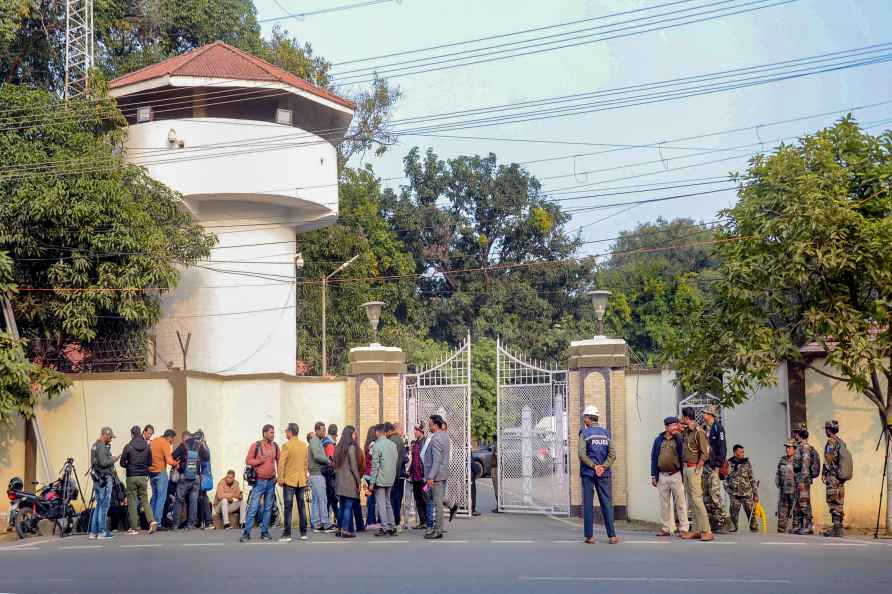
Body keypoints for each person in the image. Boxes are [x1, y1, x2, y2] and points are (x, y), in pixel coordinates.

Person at [578, 405, 618, 544]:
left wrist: (594, 466)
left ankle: (590, 536)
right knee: (606, 503)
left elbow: (582, 455)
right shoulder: (607, 433)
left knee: (588, 504)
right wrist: (602, 467)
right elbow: (612, 455)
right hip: (604, 473)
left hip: (588, 473)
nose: (584, 420)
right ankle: (612, 536)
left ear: (588, 418)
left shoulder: (584, 433)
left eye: (585, 418)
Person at [240, 424, 279, 542]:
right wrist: (259, 461)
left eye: (273, 432)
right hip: (259, 481)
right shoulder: (256, 445)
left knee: (268, 507)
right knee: (253, 507)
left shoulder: (275, 446)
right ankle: (246, 533)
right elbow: (248, 460)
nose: (273, 434)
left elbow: (279, 461)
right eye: (271, 432)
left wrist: (279, 476)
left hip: (271, 481)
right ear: (265, 433)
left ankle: (265, 532)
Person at [650, 416, 688, 537]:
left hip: (676, 474)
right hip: (662, 475)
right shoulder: (658, 440)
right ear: (666, 427)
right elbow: (654, 457)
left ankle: (684, 528)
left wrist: (683, 475)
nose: (675, 427)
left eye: (676, 425)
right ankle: (666, 528)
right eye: (672, 425)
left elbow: (683, 456)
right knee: (664, 503)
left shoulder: (679, 439)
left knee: (681, 502)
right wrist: (653, 475)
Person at [681, 406, 713, 541]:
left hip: (694, 468)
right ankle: (696, 530)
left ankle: (707, 530)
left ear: (687, 418)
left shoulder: (698, 431)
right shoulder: (687, 431)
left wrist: (698, 468)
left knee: (697, 500)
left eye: (683, 417)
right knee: (692, 501)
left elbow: (705, 452)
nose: (681, 419)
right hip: (686, 468)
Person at [120, 425, 157, 534]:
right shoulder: (147, 446)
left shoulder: (128, 446)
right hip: (143, 477)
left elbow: (122, 463)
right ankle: (152, 521)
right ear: (140, 433)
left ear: (132, 434)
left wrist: (129, 465)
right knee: (145, 500)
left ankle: (134, 527)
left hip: (131, 477)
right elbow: (150, 463)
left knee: (132, 501)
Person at [171, 430, 209, 531]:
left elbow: (172, 456)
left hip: (184, 476)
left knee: (178, 499)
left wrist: (178, 465)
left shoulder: (183, 445)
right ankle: (191, 524)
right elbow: (206, 458)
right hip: (196, 477)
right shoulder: (199, 445)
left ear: (184, 438)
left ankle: (175, 524)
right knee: (193, 500)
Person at [701, 405, 730, 533]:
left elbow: (722, 448)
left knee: (715, 494)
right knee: (706, 495)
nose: (703, 415)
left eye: (705, 413)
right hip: (705, 465)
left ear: (711, 415)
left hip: (714, 466)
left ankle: (725, 521)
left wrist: (719, 464)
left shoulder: (718, 428)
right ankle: (713, 523)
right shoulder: (704, 429)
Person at [278, 422, 309, 542]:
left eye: (286, 430)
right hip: (301, 480)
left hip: (289, 480)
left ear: (290, 431)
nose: (285, 432)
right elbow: (306, 464)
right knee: (302, 507)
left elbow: (281, 464)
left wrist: (280, 478)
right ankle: (303, 533)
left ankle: (287, 534)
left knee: (288, 507)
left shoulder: (286, 445)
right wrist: (305, 478)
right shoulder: (303, 445)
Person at [423, 414, 451, 539]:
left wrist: (430, 477)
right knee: (438, 501)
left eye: (430, 424)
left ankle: (438, 530)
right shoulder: (444, 436)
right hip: (442, 473)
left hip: (436, 475)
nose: (429, 426)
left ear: (435, 425)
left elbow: (436, 460)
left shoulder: (436, 438)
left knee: (438, 504)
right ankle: (437, 528)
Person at [334, 425, 364, 539]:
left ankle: (339, 528)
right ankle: (346, 529)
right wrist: (358, 481)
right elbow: (354, 467)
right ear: (350, 434)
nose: (355, 436)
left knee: (341, 506)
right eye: (354, 434)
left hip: (339, 481)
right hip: (349, 481)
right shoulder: (351, 448)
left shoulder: (338, 447)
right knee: (348, 506)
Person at [89, 427, 118, 540]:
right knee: (104, 506)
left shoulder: (95, 445)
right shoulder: (101, 446)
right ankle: (101, 532)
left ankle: (93, 532)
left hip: (98, 479)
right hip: (104, 479)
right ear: (106, 434)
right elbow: (103, 462)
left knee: (99, 505)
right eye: (110, 437)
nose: (111, 439)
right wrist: (114, 459)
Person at [369, 423, 398, 537]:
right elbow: (395, 461)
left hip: (380, 479)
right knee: (388, 503)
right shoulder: (392, 445)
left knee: (381, 504)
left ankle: (385, 528)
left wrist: (372, 483)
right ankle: (392, 526)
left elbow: (375, 465)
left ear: (377, 432)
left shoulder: (377, 445)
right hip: (390, 478)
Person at [821, 420, 847, 538]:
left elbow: (828, 458)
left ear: (828, 430)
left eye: (826, 428)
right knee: (839, 500)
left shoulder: (831, 442)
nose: (825, 431)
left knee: (833, 501)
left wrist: (824, 472)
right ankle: (839, 528)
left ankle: (836, 529)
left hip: (833, 476)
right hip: (840, 477)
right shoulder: (841, 442)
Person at [725, 444, 759, 533]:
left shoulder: (747, 463)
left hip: (746, 493)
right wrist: (729, 491)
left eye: (743, 452)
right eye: (740, 452)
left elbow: (751, 478)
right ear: (735, 452)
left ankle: (754, 531)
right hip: (734, 494)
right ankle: (733, 533)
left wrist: (755, 494)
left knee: (751, 515)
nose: (742, 454)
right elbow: (725, 478)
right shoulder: (728, 463)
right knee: (733, 515)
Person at [148, 429, 177, 530]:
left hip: (151, 472)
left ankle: (151, 522)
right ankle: (158, 523)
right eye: (172, 440)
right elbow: (169, 460)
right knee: (161, 498)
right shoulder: (165, 443)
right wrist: (176, 464)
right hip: (160, 472)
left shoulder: (154, 441)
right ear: (169, 437)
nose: (172, 442)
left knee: (155, 497)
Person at [791, 422, 817, 535]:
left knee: (804, 502)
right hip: (798, 478)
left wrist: (802, 480)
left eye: (796, 432)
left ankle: (808, 526)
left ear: (800, 433)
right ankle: (799, 525)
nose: (794, 434)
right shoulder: (799, 446)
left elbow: (805, 464)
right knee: (798, 502)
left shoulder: (805, 447)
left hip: (803, 479)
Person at [308, 422, 334, 532]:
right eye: (323, 430)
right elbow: (317, 456)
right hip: (317, 474)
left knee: (316, 500)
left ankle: (316, 523)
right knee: (322, 499)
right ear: (317, 430)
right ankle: (326, 523)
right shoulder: (315, 441)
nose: (325, 432)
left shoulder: (317, 441)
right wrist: (328, 461)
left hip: (315, 474)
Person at [387, 422, 409, 529]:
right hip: (399, 474)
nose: (403, 432)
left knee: (391, 499)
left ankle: (392, 521)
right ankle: (396, 521)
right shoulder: (400, 441)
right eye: (402, 429)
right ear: (397, 429)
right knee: (397, 499)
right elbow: (404, 458)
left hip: (392, 474)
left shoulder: (390, 440)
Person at [408, 424, 428, 529]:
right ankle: (422, 521)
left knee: (426, 499)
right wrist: (410, 471)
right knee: (418, 500)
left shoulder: (426, 443)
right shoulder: (415, 443)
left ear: (421, 431)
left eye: (416, 431)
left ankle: (428, 522)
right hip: (416, 478)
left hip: (423, 478)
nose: (414, 433)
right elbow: (414, 460)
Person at [776, 440, 797, 533]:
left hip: (794, 491)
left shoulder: (798, 460)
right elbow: (778, 472)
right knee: (782, 512)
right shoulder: (782, 459)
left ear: (794, 449)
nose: (787, 449)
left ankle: (795, 531)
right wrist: (777, 481)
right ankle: (781, 531)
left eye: (789, 447)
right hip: (783, 491)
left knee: (796, 512)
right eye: (786, 447)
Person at [322, 423, 339, 526]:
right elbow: (331, 459)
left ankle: (332, 518)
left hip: (324, 473)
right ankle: (334, 519)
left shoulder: (324, 441)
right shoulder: (330, 444)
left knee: (330, 498)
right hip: (329, 474)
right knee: (332, 498)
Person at [363, 426, 379, 528]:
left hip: (367, 474)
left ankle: (370, 520)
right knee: (373, 499)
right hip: (372, 475)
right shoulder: (373, 445)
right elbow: (375, 460)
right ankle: (371, 520)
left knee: (371, 497)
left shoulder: (367, 444)